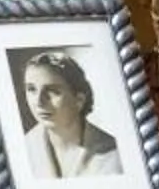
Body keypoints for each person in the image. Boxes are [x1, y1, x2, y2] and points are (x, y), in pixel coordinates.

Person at [17, 49, 124, 180]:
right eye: (31, 89)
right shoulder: (21, 150)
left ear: (79, 100)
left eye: (53, 91)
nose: (39, 102)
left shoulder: (115, 155)